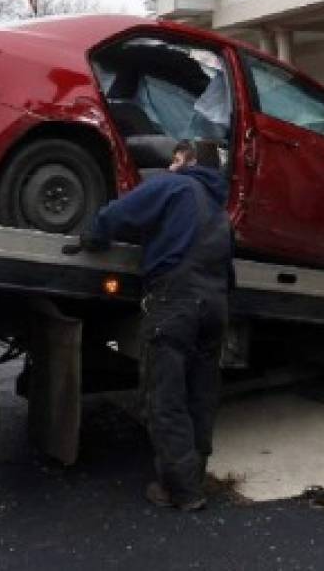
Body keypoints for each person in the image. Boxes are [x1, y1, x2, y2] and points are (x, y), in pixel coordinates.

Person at [65, 139, 234, 511]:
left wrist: (91, 235)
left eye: (175, 160)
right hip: (214, 308)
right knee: (200, 395)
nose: (171, 166)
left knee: (165, 397)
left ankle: (182, 491)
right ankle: (195, 474)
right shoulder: (219, 211)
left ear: (187, 160)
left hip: (175, 304)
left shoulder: (173, 185)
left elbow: (118, 215)